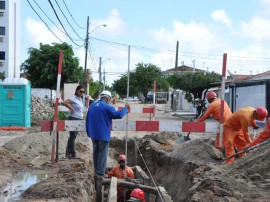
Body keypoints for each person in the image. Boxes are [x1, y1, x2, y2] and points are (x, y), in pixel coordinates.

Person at [86, 90, 129, 177]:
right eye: (109, 99)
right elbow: (118, 115)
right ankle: (100, 173)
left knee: (96, 152)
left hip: (93, 134)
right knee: (102, 153)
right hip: (103, 134)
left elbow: (87, 120)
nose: (109, 101)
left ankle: (96, 170)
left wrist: (88, 132)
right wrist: (126, 109)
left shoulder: (92, 106)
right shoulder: (107, 107)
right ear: (107, 99)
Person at [63, 85, 87, 158]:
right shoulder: (73, 98)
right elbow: (64, 102)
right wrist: (71, 108)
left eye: (83, 92)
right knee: (72, 137)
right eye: (80, 91)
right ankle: (72, 154)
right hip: (74, 118)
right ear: (77, 91)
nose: (82, 93)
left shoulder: (79, 99)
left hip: (77, 119)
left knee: (72, 136)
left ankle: (68, 153)